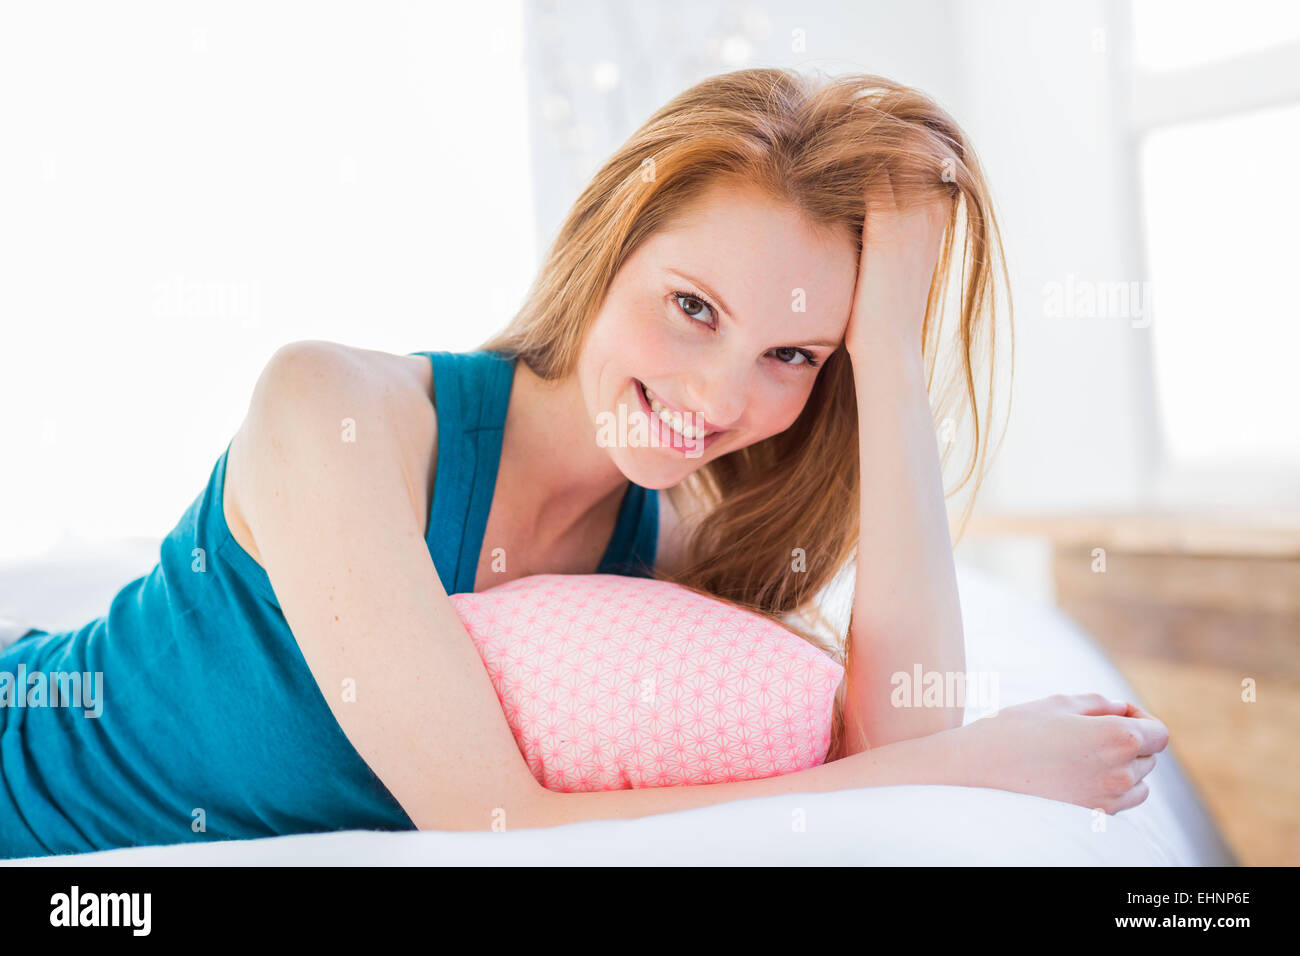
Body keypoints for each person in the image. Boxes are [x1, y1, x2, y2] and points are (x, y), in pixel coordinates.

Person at [0, 67, 1168, 859]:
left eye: (793, 352)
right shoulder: (332, 411)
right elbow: (487, 820)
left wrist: (893, 367)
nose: (718, 398)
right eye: (693, 305)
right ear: (610, 242)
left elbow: (907, 761)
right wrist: (983, 765)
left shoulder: (677, 547)